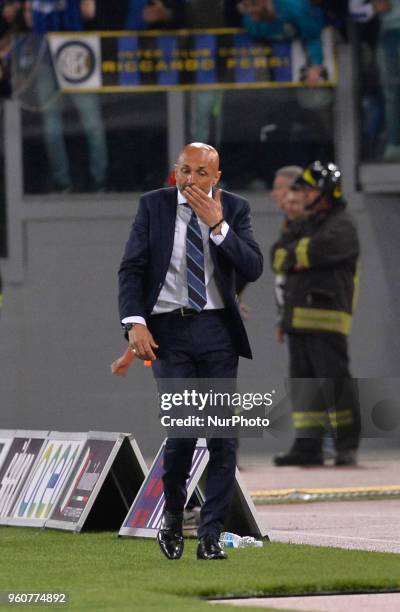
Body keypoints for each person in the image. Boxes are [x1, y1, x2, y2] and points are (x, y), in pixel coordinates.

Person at [118, 142, 263, 560]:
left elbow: (252, 266)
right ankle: (172, 520)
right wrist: (135, 322)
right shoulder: (153, 206)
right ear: (175, 171)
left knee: (222, 436)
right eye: (184, 170)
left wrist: (219, 227)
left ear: (216, 177)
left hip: (217, 331)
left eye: (201, 172)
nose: (191, 180)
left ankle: (211, 535)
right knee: (182, 431)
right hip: (167, 333)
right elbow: (132, 269)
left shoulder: (234, 208)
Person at [270, 161, 361, 466]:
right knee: (304, 385)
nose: (304, 195)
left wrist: (299, 253)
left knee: (334, 383)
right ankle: (308, 446)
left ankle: (346, 445)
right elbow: (278, 256)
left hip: (327, 319)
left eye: (309, 190)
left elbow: (316, 250)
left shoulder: (342, 224)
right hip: (298, 319)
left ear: (326, 192)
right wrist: (299, 254)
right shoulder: (305, 224)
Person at [23, 0, 108, 192]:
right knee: (52, 125)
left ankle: (98, 180)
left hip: (75, 53)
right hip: (46, 57)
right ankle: (64, 182)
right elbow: (29, 19)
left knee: (91, 121)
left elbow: (90, 12)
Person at [236, 0, 326, 86]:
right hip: (280, 51)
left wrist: (316, 65)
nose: (250, 10)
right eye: (246, 5)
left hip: (317, 28)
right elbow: (258, 41)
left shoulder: (294, 7)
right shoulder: (249, 22)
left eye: (254, 4)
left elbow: (312, 38)